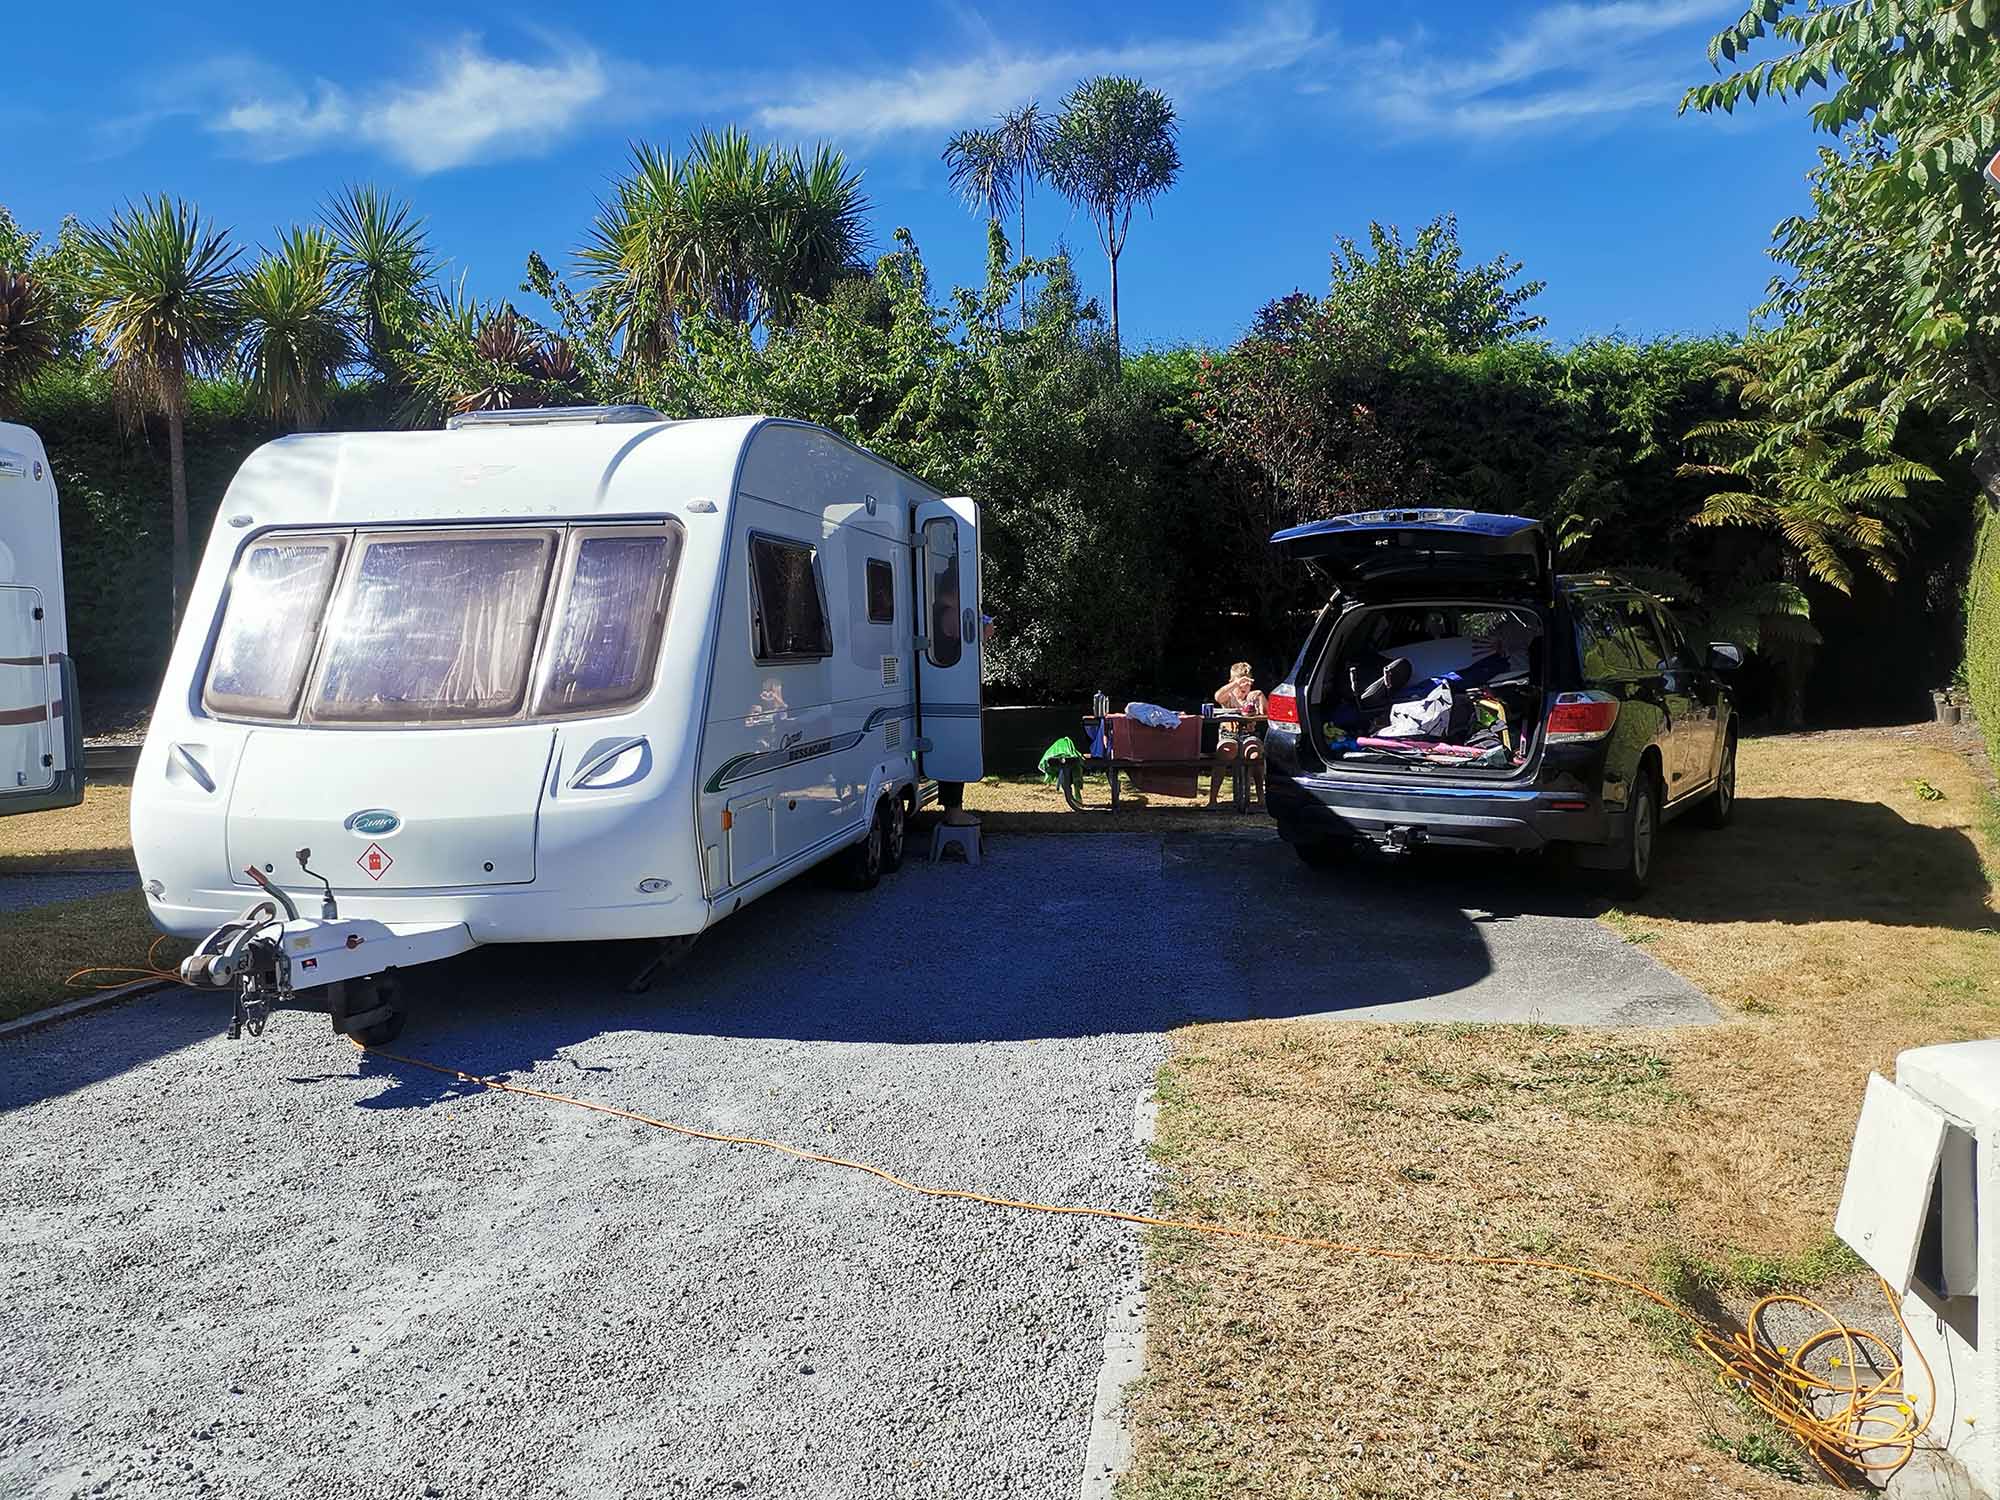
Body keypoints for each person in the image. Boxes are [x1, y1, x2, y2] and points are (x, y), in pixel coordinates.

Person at [1209, 661, 1266, 807]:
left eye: (1247, 682)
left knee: (1255, 754)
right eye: (1242, 682)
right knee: (1226, 752)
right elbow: (1217, 697)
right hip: (1229, 734)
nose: (1245, 686)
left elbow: (1269, 712)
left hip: (1249, 734)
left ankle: (1260, 798)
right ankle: (1213, 800)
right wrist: (1236, 684)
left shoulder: (1254, 695)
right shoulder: (1229, 696)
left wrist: (1261, 698)